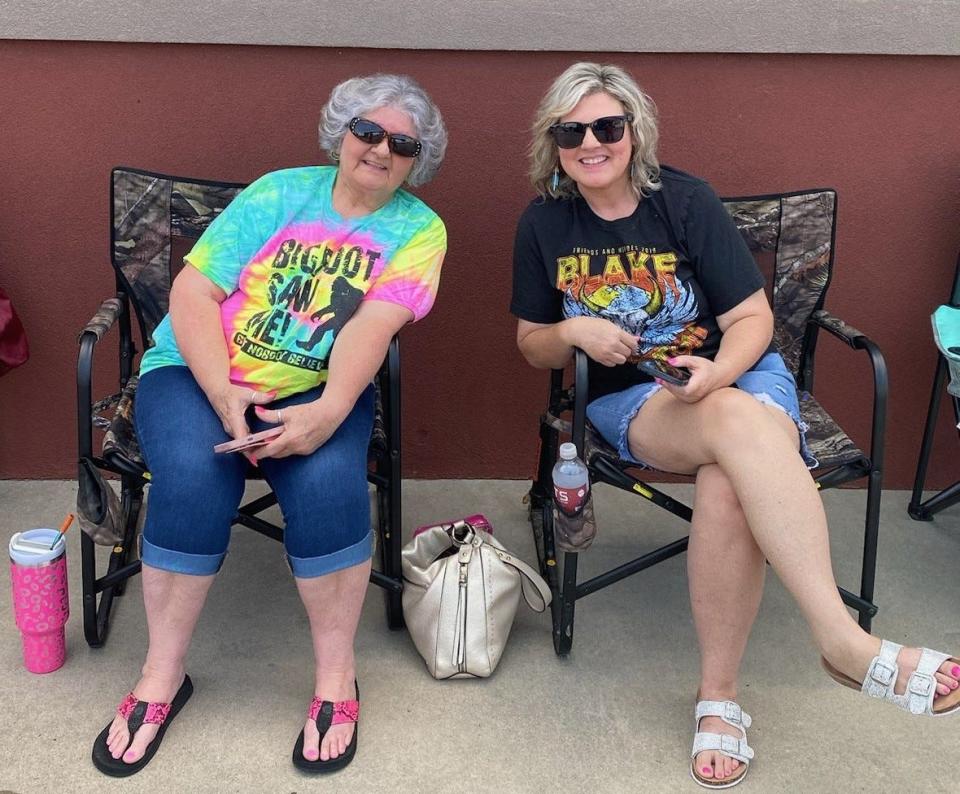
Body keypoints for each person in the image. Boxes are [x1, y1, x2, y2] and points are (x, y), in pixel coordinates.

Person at [510, 62, 959, 788]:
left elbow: (751, 320)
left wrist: (718, 373)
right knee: (735, 433)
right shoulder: (545, 223)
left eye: (608, 127)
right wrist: (579, 333)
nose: (591, 142)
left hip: (738, 376)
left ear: (634, 133)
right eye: (572, 130)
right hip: (634, 400)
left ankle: (720, 698)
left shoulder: (683, 202)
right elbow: (533, 341)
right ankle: (843, 643)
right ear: (553, 141)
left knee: (726, 478)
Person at [91, 73, 447, 776]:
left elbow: (374, 327)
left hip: (315, 387)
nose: (379, 150)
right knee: (193, 479)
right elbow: (196, 290)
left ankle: (336, 679)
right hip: (196, 374)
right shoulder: (281, 192)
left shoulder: (419, 229)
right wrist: (223, 392)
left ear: (417, 159)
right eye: (366, 132)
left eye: (401, 144)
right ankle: (162, 677)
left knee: (328, 488)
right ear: (342, 133)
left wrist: (327, 413)